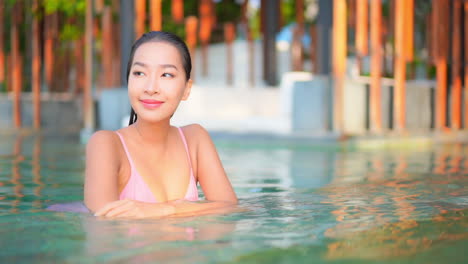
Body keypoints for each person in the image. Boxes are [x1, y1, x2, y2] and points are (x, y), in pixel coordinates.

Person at [84, 31, 238, 218]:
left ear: (186, 89)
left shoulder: (195, 140)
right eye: (139, 73)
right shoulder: (106, 144)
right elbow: (102, 225)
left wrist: (165, 209)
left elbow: (230, 207)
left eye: (166, 74)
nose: (151, 88)